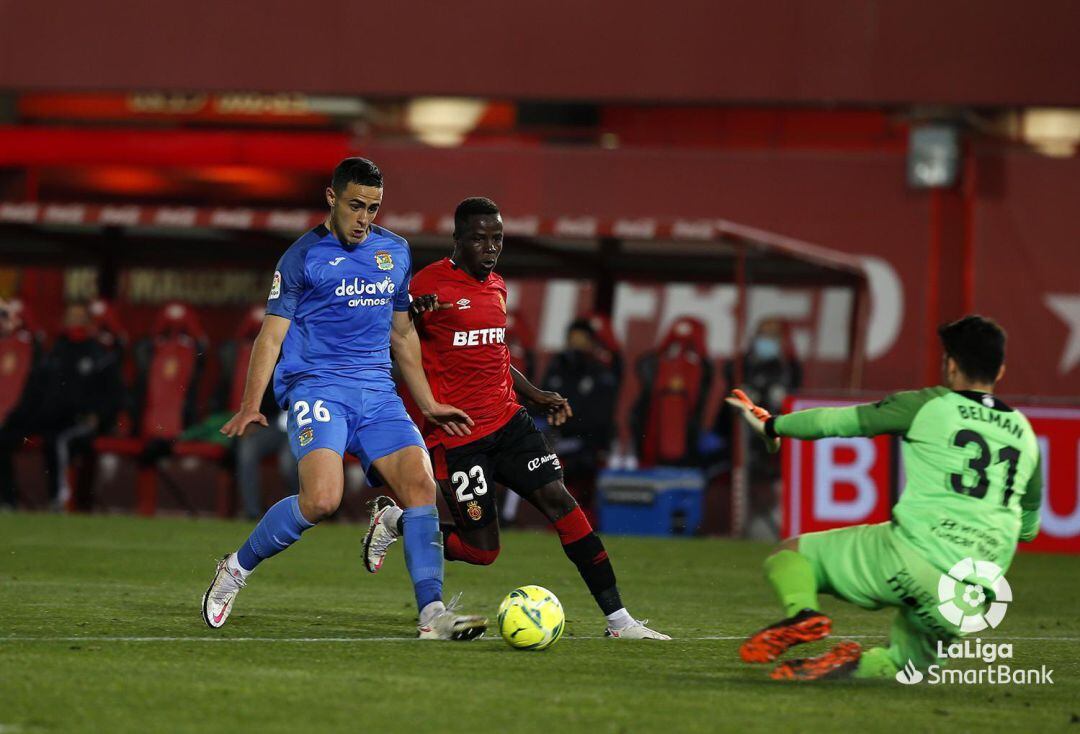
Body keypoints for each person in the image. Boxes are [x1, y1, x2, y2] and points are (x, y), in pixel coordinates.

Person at [204, 157, 485, 640]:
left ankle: (432, 613)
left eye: (373, 208)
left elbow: (402, 334)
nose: (364, 219)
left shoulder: (394, 252)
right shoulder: (301, 258)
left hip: (377, 392)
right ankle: (235, 568)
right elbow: (270, 338)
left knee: (421, 487)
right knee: (322, 500)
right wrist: (252, 404)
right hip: (318, 388)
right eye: (356, 206)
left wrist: (429, 402)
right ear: (331, 198)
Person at [362, 197, 669, 640]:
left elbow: (494, 355)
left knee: (563, 505)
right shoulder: (426, 288)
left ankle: (619, 620)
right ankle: (395, 522)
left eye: (497, 239)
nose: (490, 248)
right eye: (479, 239)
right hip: (458, 434)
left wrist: (536, 395)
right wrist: (410, 315)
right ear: (458, 240)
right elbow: (392, 339)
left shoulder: (497, 287)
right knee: (481, 551)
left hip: (510, 423)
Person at [728, 315, 1041, 680]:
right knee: (907, 667)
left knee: (791, 554)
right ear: (1000, 370)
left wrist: (773, 425)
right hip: (969, 596)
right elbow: (1028, 528)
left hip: (910, 559)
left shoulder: (929, 405)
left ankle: (804, 615)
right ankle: (844, 667)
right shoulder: (1025, 433)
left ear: (950, 364)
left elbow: (837, 423)